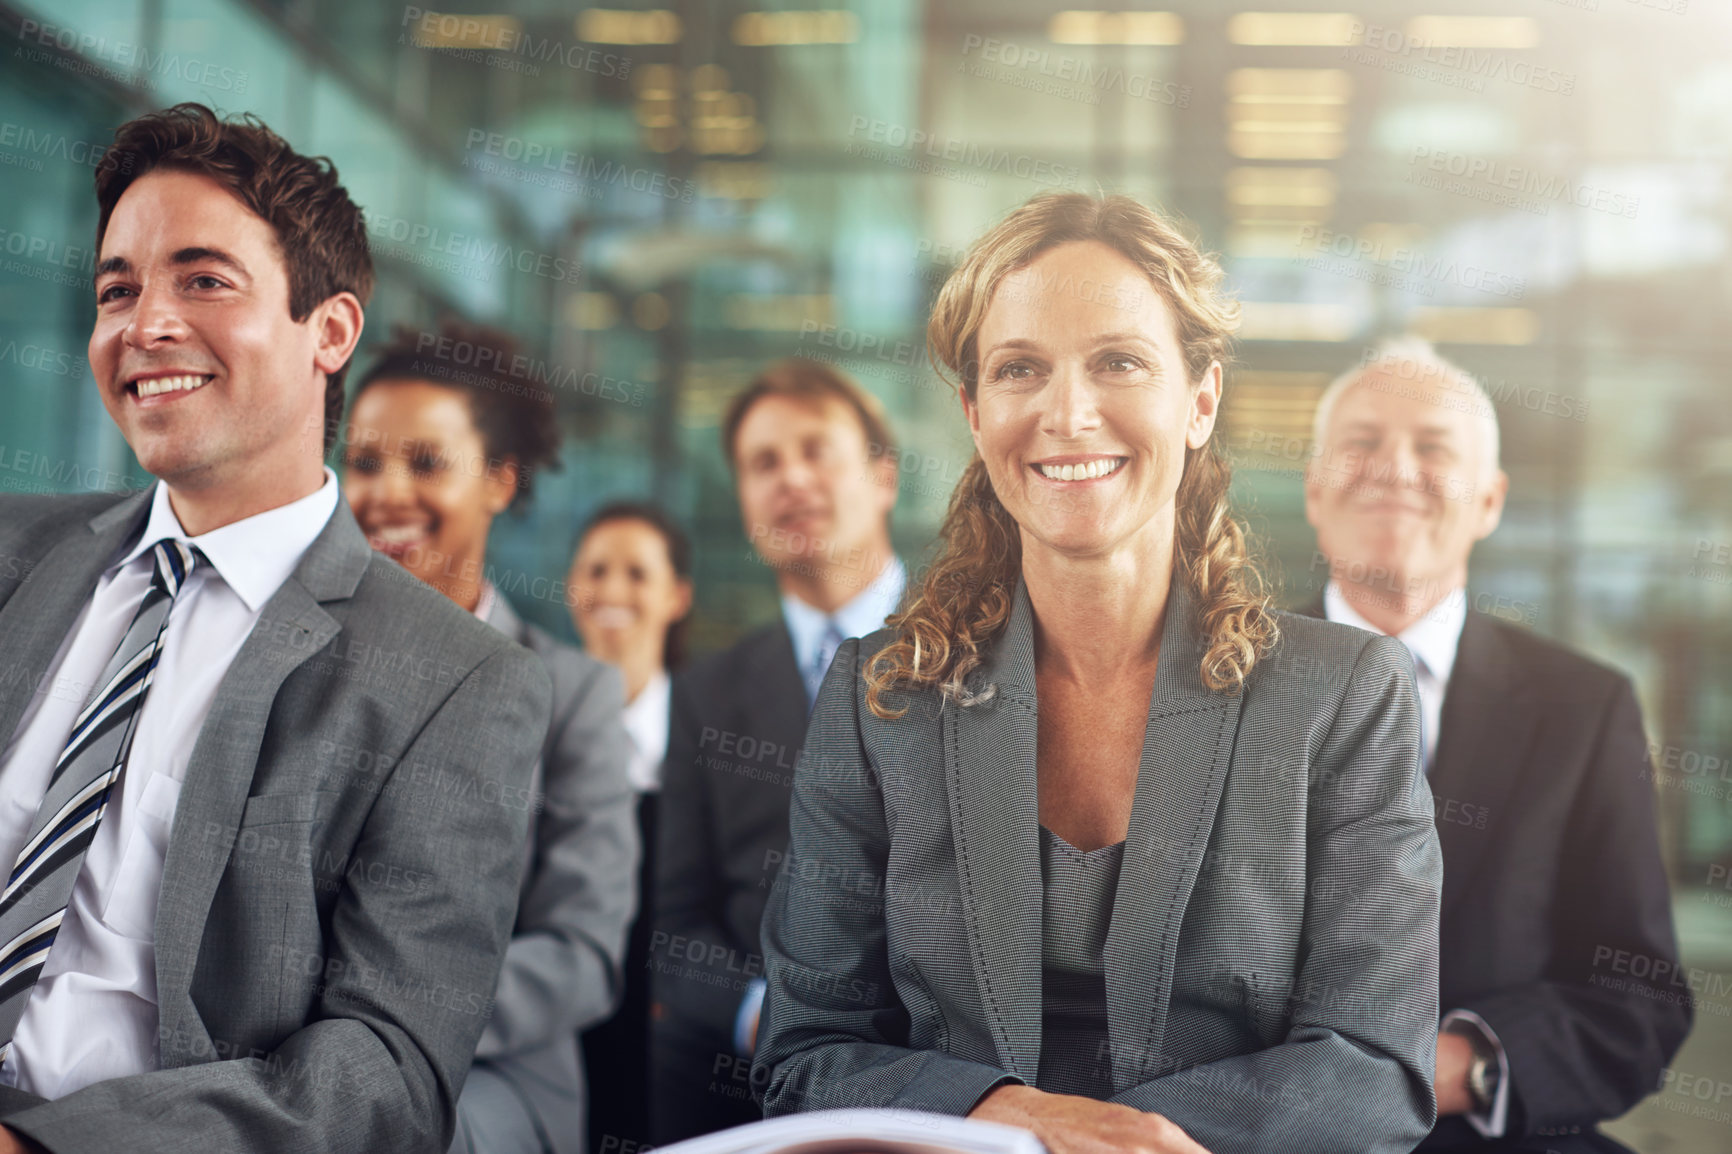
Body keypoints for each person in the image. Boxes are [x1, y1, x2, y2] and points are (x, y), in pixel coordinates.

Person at [751, 193, 1444, 1154]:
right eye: (1019, 369)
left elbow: (1374, 1070)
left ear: (1199, 400)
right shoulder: (881, 700)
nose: (1067, 413)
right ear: (975, 411)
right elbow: (804, 1051)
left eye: (1118, 362)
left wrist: (1135, 1143)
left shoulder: (1343, 695)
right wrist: (1022, 1126)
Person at [0, 104, 549, 1153]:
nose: (145, 323)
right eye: (118, 288)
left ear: (330, 331)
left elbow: (386, 1067)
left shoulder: (457, 683)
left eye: (203, 280)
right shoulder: (13, 556)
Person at [1300, 338, 1690, 1154]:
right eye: (1361, 443)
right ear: (1313, 488)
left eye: (1433, 448)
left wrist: (1457, 1066)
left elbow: (1636, 1000)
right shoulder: (1205, 688)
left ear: (1490, 500)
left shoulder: (1583, 709)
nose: (1395, 470)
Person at [342, 320, 639, 1154]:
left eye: (426, 462)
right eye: (363, 463)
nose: (386, 492)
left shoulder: (573, 695)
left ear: (501, 481)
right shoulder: (304, 664)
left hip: (489, 1079)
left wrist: (382, 1029)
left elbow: (582, 952)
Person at [653, 358, 907, 1141]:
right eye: (763, 463)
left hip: (953, 1068)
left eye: (815, 450)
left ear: (883, 477)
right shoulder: (704, 695)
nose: (791, 479)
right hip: (757, 1090)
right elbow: (672, 920)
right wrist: (759, 1013)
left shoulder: (989, 652)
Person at [567, 502, 694, 1152]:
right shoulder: (534, 723)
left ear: (676, 596)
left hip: (682, 1056)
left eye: (637, 574)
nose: (613, 591)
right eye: (596, 570)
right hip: (566, 1046)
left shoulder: (715, 740)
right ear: (570, 590)